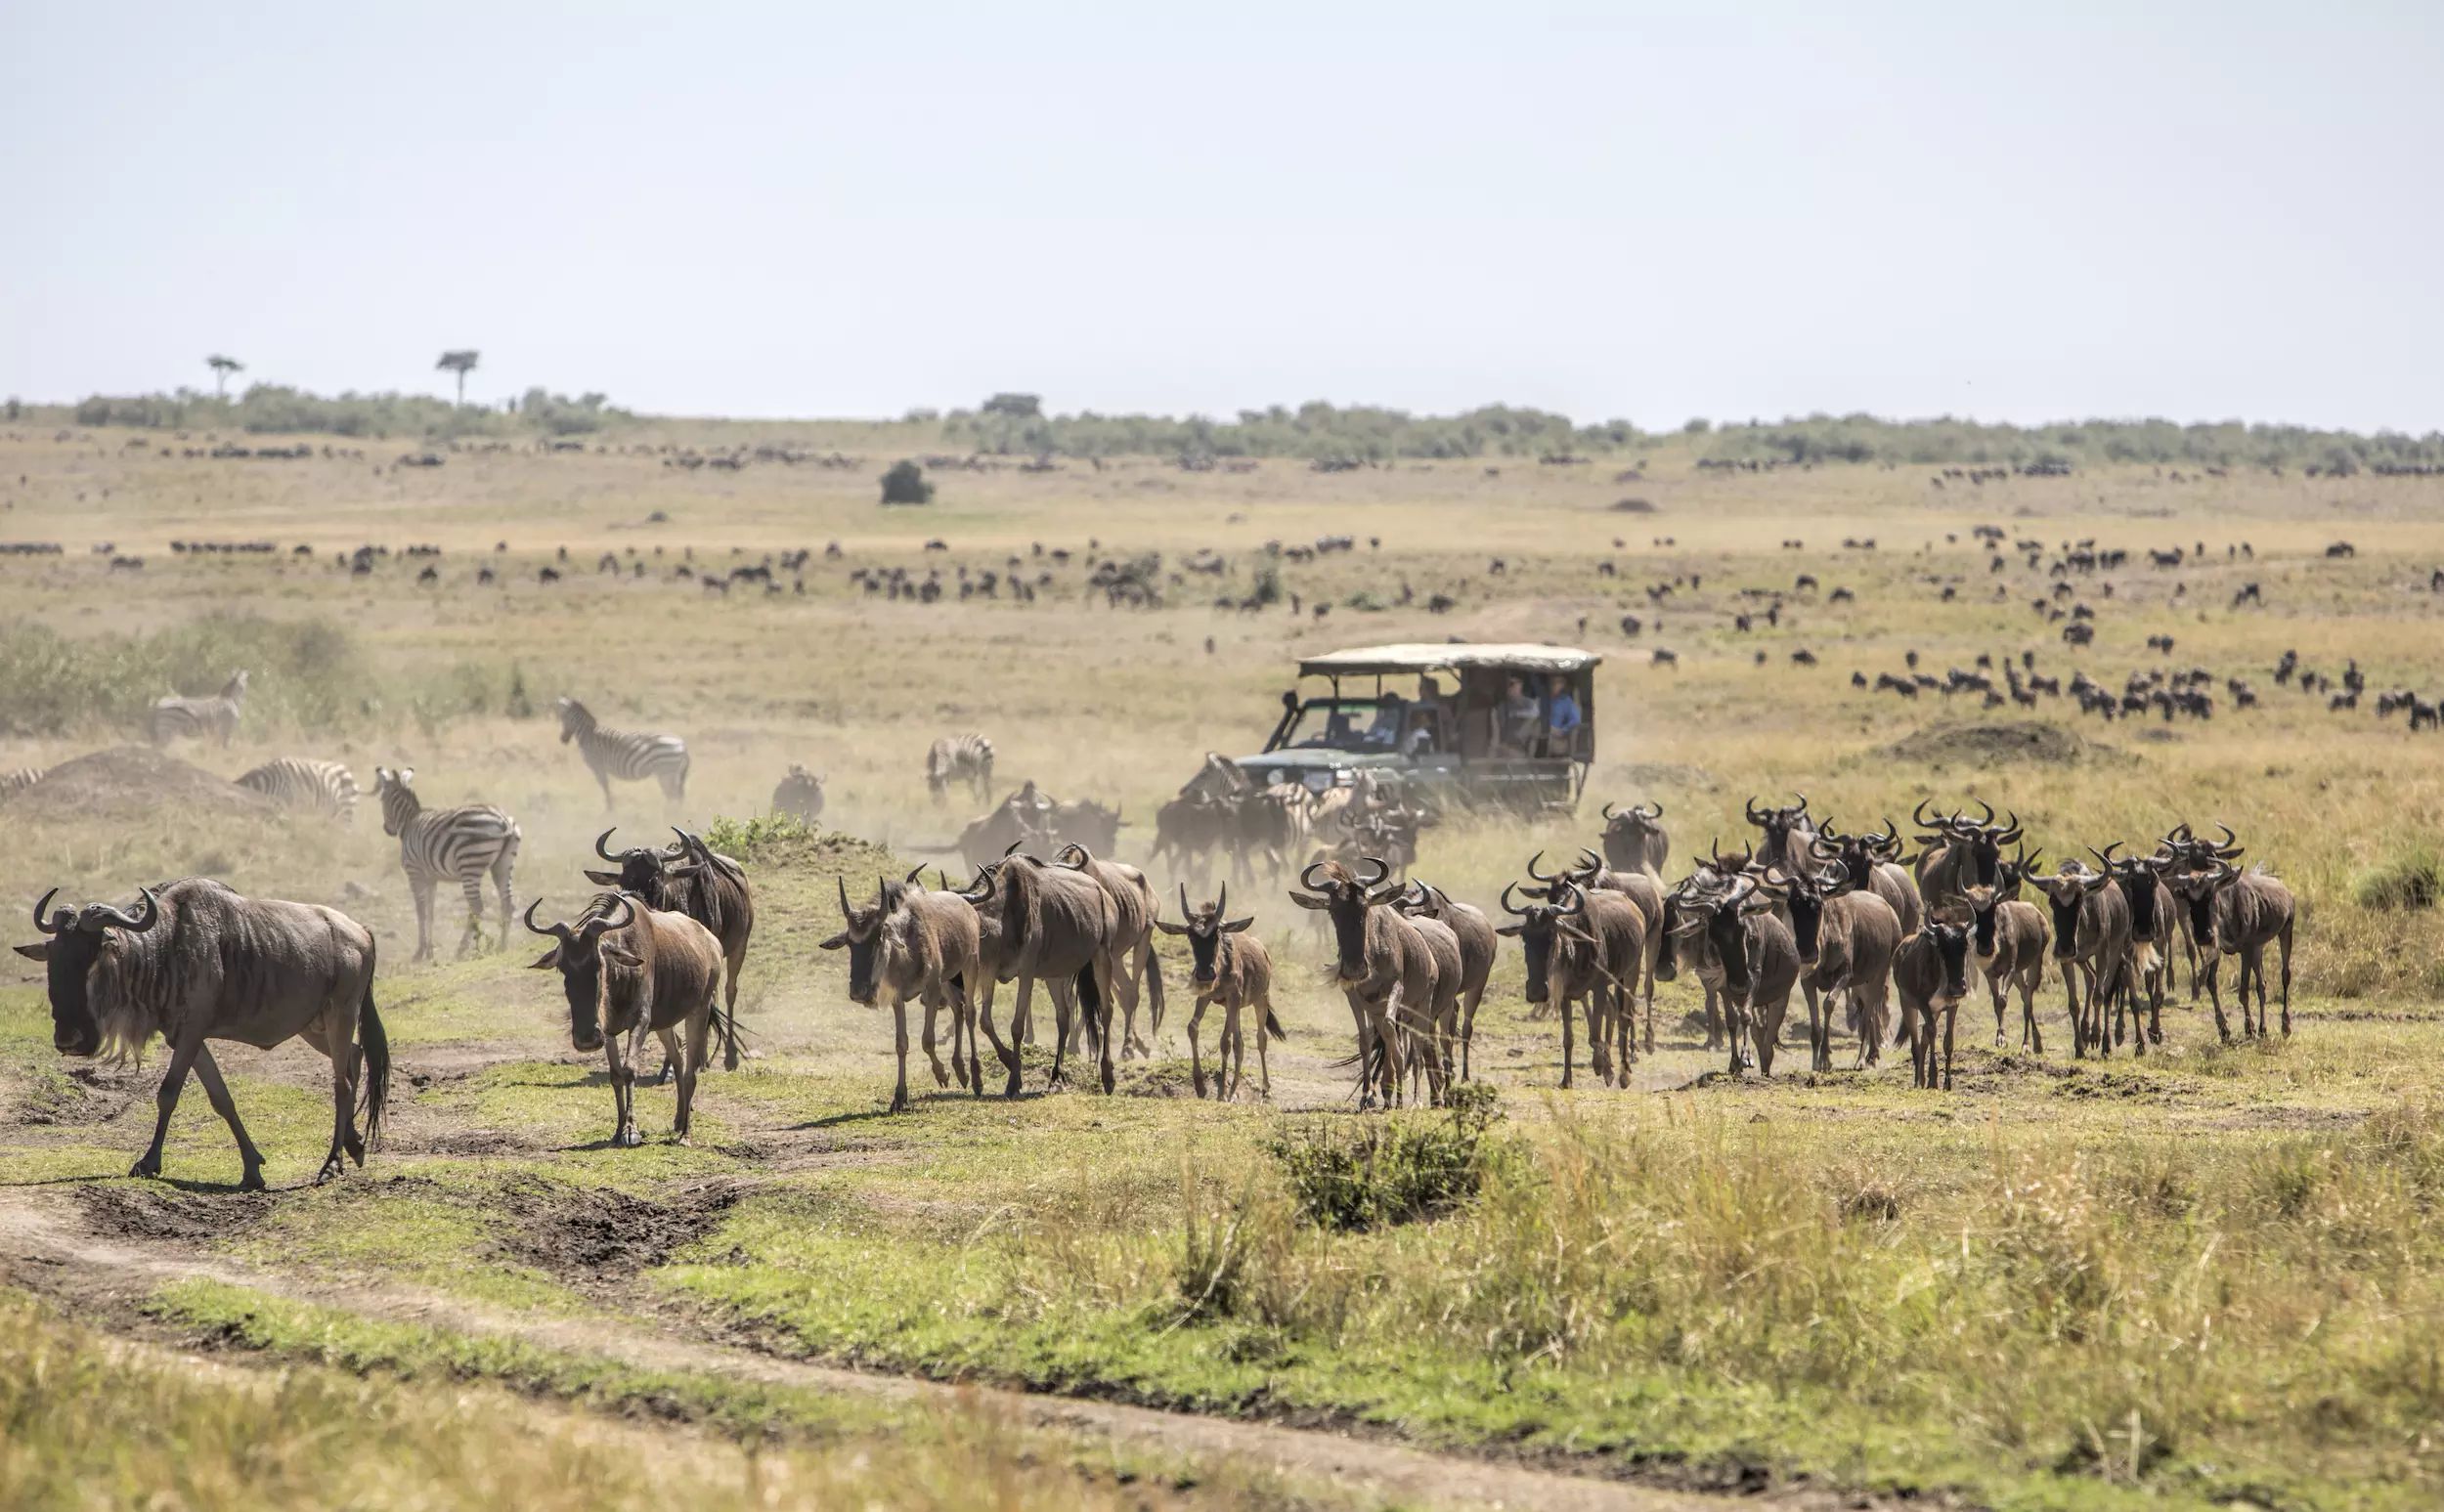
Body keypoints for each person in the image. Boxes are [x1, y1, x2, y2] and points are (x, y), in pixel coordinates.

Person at [1498, 675, 1541, 755]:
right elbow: (1501, 725)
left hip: (1522, 745)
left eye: (1516, 687)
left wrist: (1517, 714)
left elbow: (1536, 713)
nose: (1513, 690)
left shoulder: (1528, 703)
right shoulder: (1503, 706)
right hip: (1505, 744)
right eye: (1511, 688)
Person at [1542, 673, 1582, 756]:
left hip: (1556, 736)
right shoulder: (1543, 699)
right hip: (1540, 732)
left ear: (1563, 685)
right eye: (1552, 682)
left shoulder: (1565, 701)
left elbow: (1576, 719)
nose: (1555, 685)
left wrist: (1563, 730)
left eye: (1559, 682)